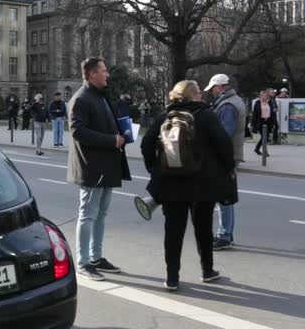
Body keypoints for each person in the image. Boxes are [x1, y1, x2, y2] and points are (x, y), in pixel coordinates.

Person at [141, 80, 235, 291]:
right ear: (193, 96)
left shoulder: (166, 116)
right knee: (203, 227)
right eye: (199, 93)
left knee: (173, 230)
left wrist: (155, 169)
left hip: (171, 183)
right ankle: (207, 270)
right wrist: (228, 168)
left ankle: (172, 277)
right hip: (202, 183)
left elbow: (146, 143)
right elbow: (224, 145)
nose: (201, 96)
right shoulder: (206, 115)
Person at [67, 57, 131, 281]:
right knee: (88, 215)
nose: (108, 74)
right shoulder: (81, 98)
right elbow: (78, 132)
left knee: (101, 214)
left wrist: (122, 133)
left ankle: (96, 257)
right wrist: (110, 140)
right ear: (92, 74)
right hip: (92, 167)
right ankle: (83, 262)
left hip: (106, 165)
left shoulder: (100, 96)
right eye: (104, 71)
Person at [204, 73, 246, 250]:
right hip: (229, 154)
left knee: (223, 197)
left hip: (224, 155)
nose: (211, 92)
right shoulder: (233, 100)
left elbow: (224, 134)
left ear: (220, 87)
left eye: (212, 89)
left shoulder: (228, 105)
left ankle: (224, 235)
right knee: (225, 195)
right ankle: (227, 233)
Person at [251, 90, 275, 156]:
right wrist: (253, 124)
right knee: (265, 137)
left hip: (268, 122)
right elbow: (254, 114)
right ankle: (264, 152)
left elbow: (272, 112)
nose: (264, 97)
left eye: (266, 96)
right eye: (263, 96)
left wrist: (273, 121)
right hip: (260, 121)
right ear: (260, 96)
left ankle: (257, 149)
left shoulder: (269, 102)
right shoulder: (257, 102)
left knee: (266, 137)